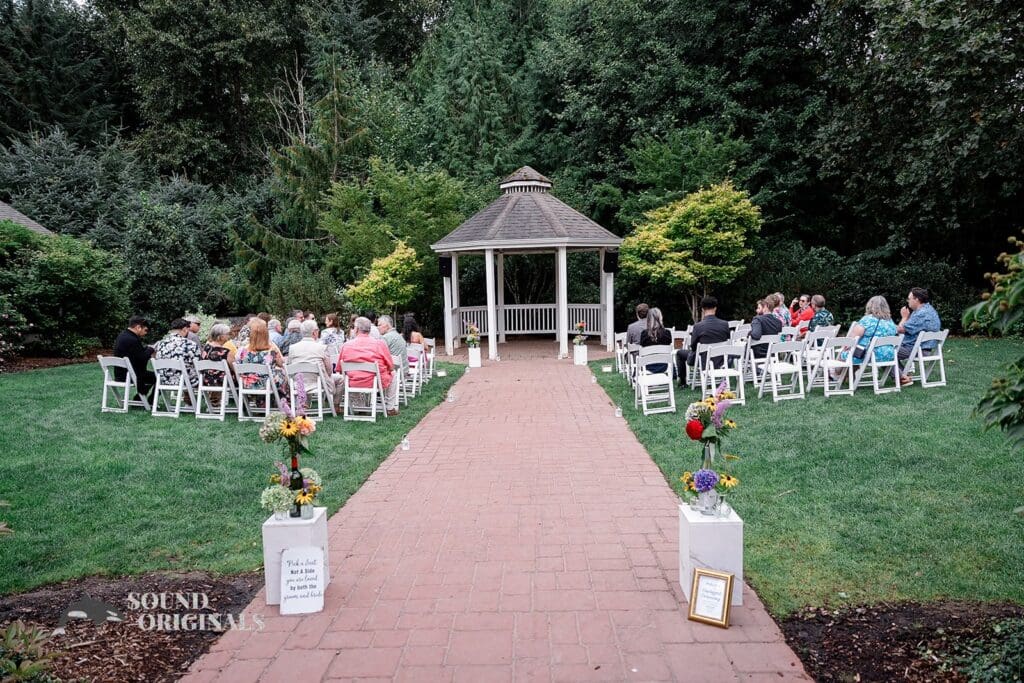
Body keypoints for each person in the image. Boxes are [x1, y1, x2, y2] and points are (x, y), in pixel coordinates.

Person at [339, 316, 397, 416]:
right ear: (369, 330)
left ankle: (360, 407)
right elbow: (390, 366)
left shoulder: (346, 346)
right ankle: (390, 407)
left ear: (356, 329)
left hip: (353, 382)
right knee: (393, 373)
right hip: (376, 381)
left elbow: (340, 369)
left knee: (351, 375)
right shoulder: (380, 344)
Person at [675, 296, 731, 386]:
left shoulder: (698, 326)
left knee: (679, 353)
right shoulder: (725, 324)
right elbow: (727, 340)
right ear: (715, 308)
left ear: (702, 309)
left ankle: (682, 382)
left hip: (703, 360)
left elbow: (693, 347)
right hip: (721, 360)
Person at [287, 320, 339, 405]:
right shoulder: (322, 347)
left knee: (306, 376)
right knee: (340, 379)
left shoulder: (292, 348)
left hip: (298, 383)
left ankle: (304, 405)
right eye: (318, 330)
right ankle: (336, 406)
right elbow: (329, 371)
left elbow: (289, 367)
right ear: (314, 333)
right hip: (318, 382)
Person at [236, 318, 289, 401]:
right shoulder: (272, 351)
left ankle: (262, 402)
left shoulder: (242, 350)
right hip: (266, 384)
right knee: (284, 373)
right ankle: (282, 400)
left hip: (247, 384)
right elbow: (281, 363)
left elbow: (238, 363)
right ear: (266, 335)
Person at [897, 287, 941, 385]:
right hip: (924, 348)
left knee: (885, 351)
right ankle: (904, 375)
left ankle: (903, 377)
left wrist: (904, 317)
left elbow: (900, 330)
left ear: (916, 299)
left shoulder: (921, 314)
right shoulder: (930, 310)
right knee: (886, 350)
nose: (907, 301)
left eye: (909, 298)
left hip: (918, 349)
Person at [843, 296, 898, 366]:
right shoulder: (890, 322)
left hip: (870, 355)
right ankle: (848, 375)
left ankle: (834, 373)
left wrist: (845, 347)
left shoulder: (867, 320)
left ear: (870, 306)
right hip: (889, 355)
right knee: (855, 353)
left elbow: (852, 339)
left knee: (845, 354)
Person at [113, 315, 156, 399]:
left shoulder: (122, 335)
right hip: (131, 375)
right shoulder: (133, 339)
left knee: (152, 376)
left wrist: (146, 349)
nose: (146, 333)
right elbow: (142, 358)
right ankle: (151, 401)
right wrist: (151, 349)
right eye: (146, 330)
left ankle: (139, 399)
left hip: (120, 374)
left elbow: (135, 354)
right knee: (161, 377)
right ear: (138, 327)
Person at [154, 318, 202, 389]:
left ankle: (188, 399)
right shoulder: (190, 344)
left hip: (163, 380)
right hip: (184, 381)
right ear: (185, 329)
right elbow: (198, 363)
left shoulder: (160, 344)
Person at [379, 315, 408, 413]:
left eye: (380, 325)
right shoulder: (398, 336)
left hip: (394, 372)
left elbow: (380, 356)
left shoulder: (385, 338)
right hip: (403, 370)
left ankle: (365, 404)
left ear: (387, 325)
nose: (378, 327)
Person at [200, 323, 236, 399]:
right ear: (221, 337)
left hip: (206, 380)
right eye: (228, 334)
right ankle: (244, 403)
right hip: (223, 382)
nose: (229, 336)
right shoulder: (227, 352)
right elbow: (236, 369)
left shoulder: (206, 348)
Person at [639, 307, 672, 373]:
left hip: (648, 367)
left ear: (648, 319)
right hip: (664, 366)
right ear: (660, 318)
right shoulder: (667, 333)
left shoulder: (644, 334)